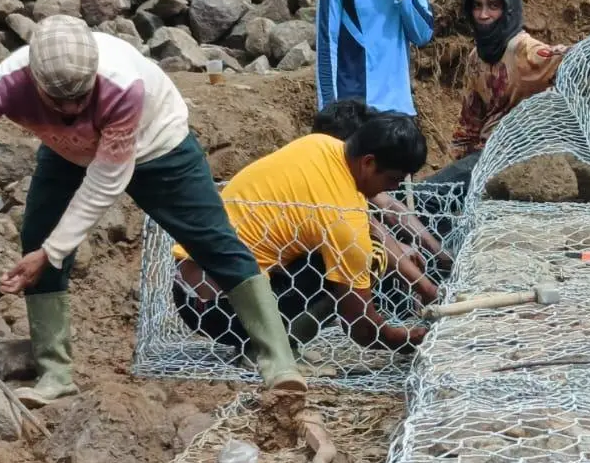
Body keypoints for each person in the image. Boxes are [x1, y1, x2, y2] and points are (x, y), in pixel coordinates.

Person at [0, 16, 305, 406]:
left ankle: (279, 363)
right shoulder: (3, 84)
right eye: (61, 102)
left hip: (158, 145)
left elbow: (105, 182)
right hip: (66, 152)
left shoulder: (121, 85)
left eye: (81, 96)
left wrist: (55, 251)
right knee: (36, 240)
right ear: (35, 83)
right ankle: (55, 375)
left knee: (214, 242)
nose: (75, 110)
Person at [172, 115, 433, 352]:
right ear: (368, 163)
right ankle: (272, 352)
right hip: (220, 312)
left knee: (347, 250)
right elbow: (362, 329)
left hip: (187, 292)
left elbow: (370, 225)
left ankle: (268, 338)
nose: (394, 187)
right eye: (393, 179)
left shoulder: (318, 144)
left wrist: (428, 290)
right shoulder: (342, 218)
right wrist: (409, 339)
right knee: (367, 258)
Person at [427, 0, 566, 191]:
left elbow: (571, 58)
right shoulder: (476, 56)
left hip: (518, 152)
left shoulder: (523, 50)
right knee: (438, 197)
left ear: (509, 10)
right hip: (484, 155)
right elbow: (470, 121)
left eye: (493, 6)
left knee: (425, 194)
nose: (483, 15)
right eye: (477, 6)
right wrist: (458, 162)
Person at [310, 99, 449, 273]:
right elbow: (370, 226)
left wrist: (438, 251)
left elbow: (388, 205)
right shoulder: (326, 177)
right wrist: (399, 250)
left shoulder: (358, 167)